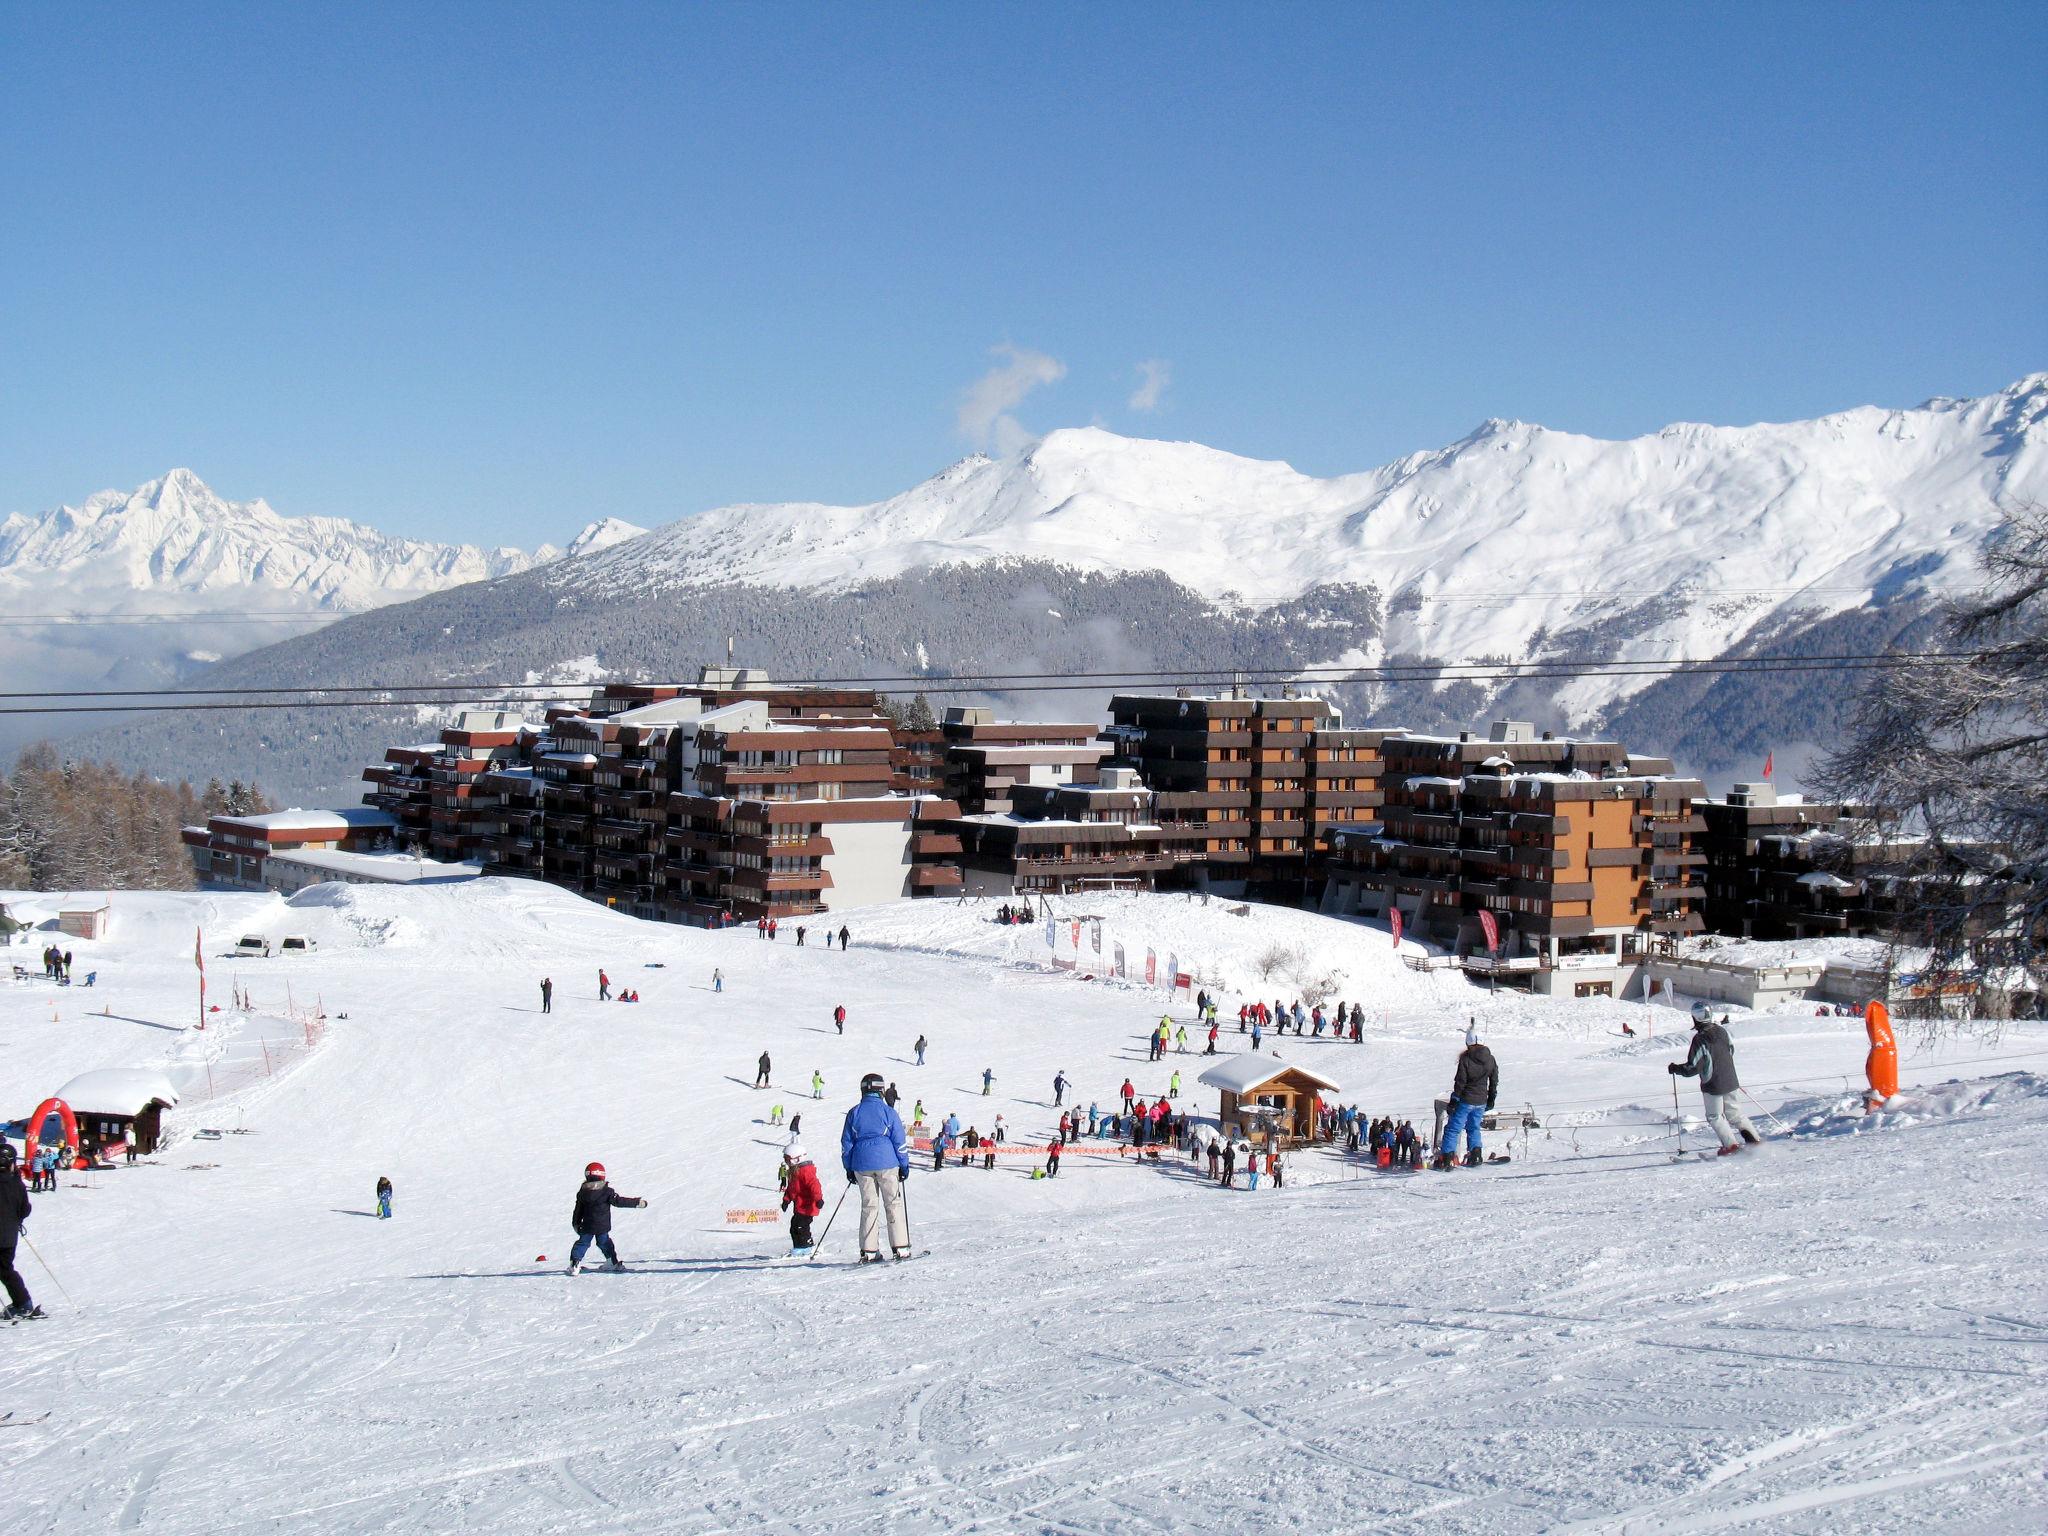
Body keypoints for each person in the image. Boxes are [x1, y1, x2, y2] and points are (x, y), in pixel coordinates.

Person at [1670, 1010, 1762, 1155]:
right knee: (1735, 1113)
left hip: (1713, 1084)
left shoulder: (1700, 1039)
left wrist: (1676, 1068)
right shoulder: (1722, 1031)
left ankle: (1730, 1146)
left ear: (1695, 1019)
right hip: (1730, 1079)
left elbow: (1693, 1068)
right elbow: (1731, 1050)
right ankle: (1754, 1140)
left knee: (1715, 1116)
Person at [841, 1074, 910, 1262]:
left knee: (869, 1206)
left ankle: (869, 1251)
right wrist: (904, 1165)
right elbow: (899, 1142)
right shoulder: (889, 1112)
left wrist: (849, 1167)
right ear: (881, 1090)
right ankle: (901, 1247)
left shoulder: (854, 1113)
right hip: (887, 1163)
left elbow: (847, 1144)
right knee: (893, 1204)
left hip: (861, 1165)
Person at [1434, 1022, 1499, 1170]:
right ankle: (1476, 1154)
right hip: (1481, 1101)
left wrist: (1454, 1100)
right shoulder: (1491, 1059)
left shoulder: (1466, 1059)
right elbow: (1494, 1080)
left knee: (1453, 1128)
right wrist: (1491, 1099)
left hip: (1466, 1100)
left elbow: (1460, 1082)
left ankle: (1447, 1158)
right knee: (1473, 1127)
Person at [568, 1161, 646, 1273]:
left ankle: (575, 1264)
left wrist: (576, 1223)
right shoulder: (607, 1192)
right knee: (605, 1243)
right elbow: (619, 1201)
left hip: (587, 1226)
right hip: (602, 1226)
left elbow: (578, 1210)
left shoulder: (583, 1193)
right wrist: (637, 1203)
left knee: (583, 1243)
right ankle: (612, 1262)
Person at [0, 1142, 41, 1320]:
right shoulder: (17, 1183)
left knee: (5, 1270)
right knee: (6, 1270)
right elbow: (25, 1209)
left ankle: (22, 1303)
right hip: (9, 1237)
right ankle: (22, 1303)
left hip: (6, 1234)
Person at [780, 1143, 824, 1254]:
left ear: (797, 1159)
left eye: (788, 1159)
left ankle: (807, 1246)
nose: (787, 1162)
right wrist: (786, 1200)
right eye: (785, 1159)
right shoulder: (795, 1172)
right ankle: (798, 1248)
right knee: (794, 1226)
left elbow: (815, 1185)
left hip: (808, 1206)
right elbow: (792, 1188)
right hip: (800, 1206)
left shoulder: (806, 1171)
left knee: (801, 1226)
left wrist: (818, 1199)